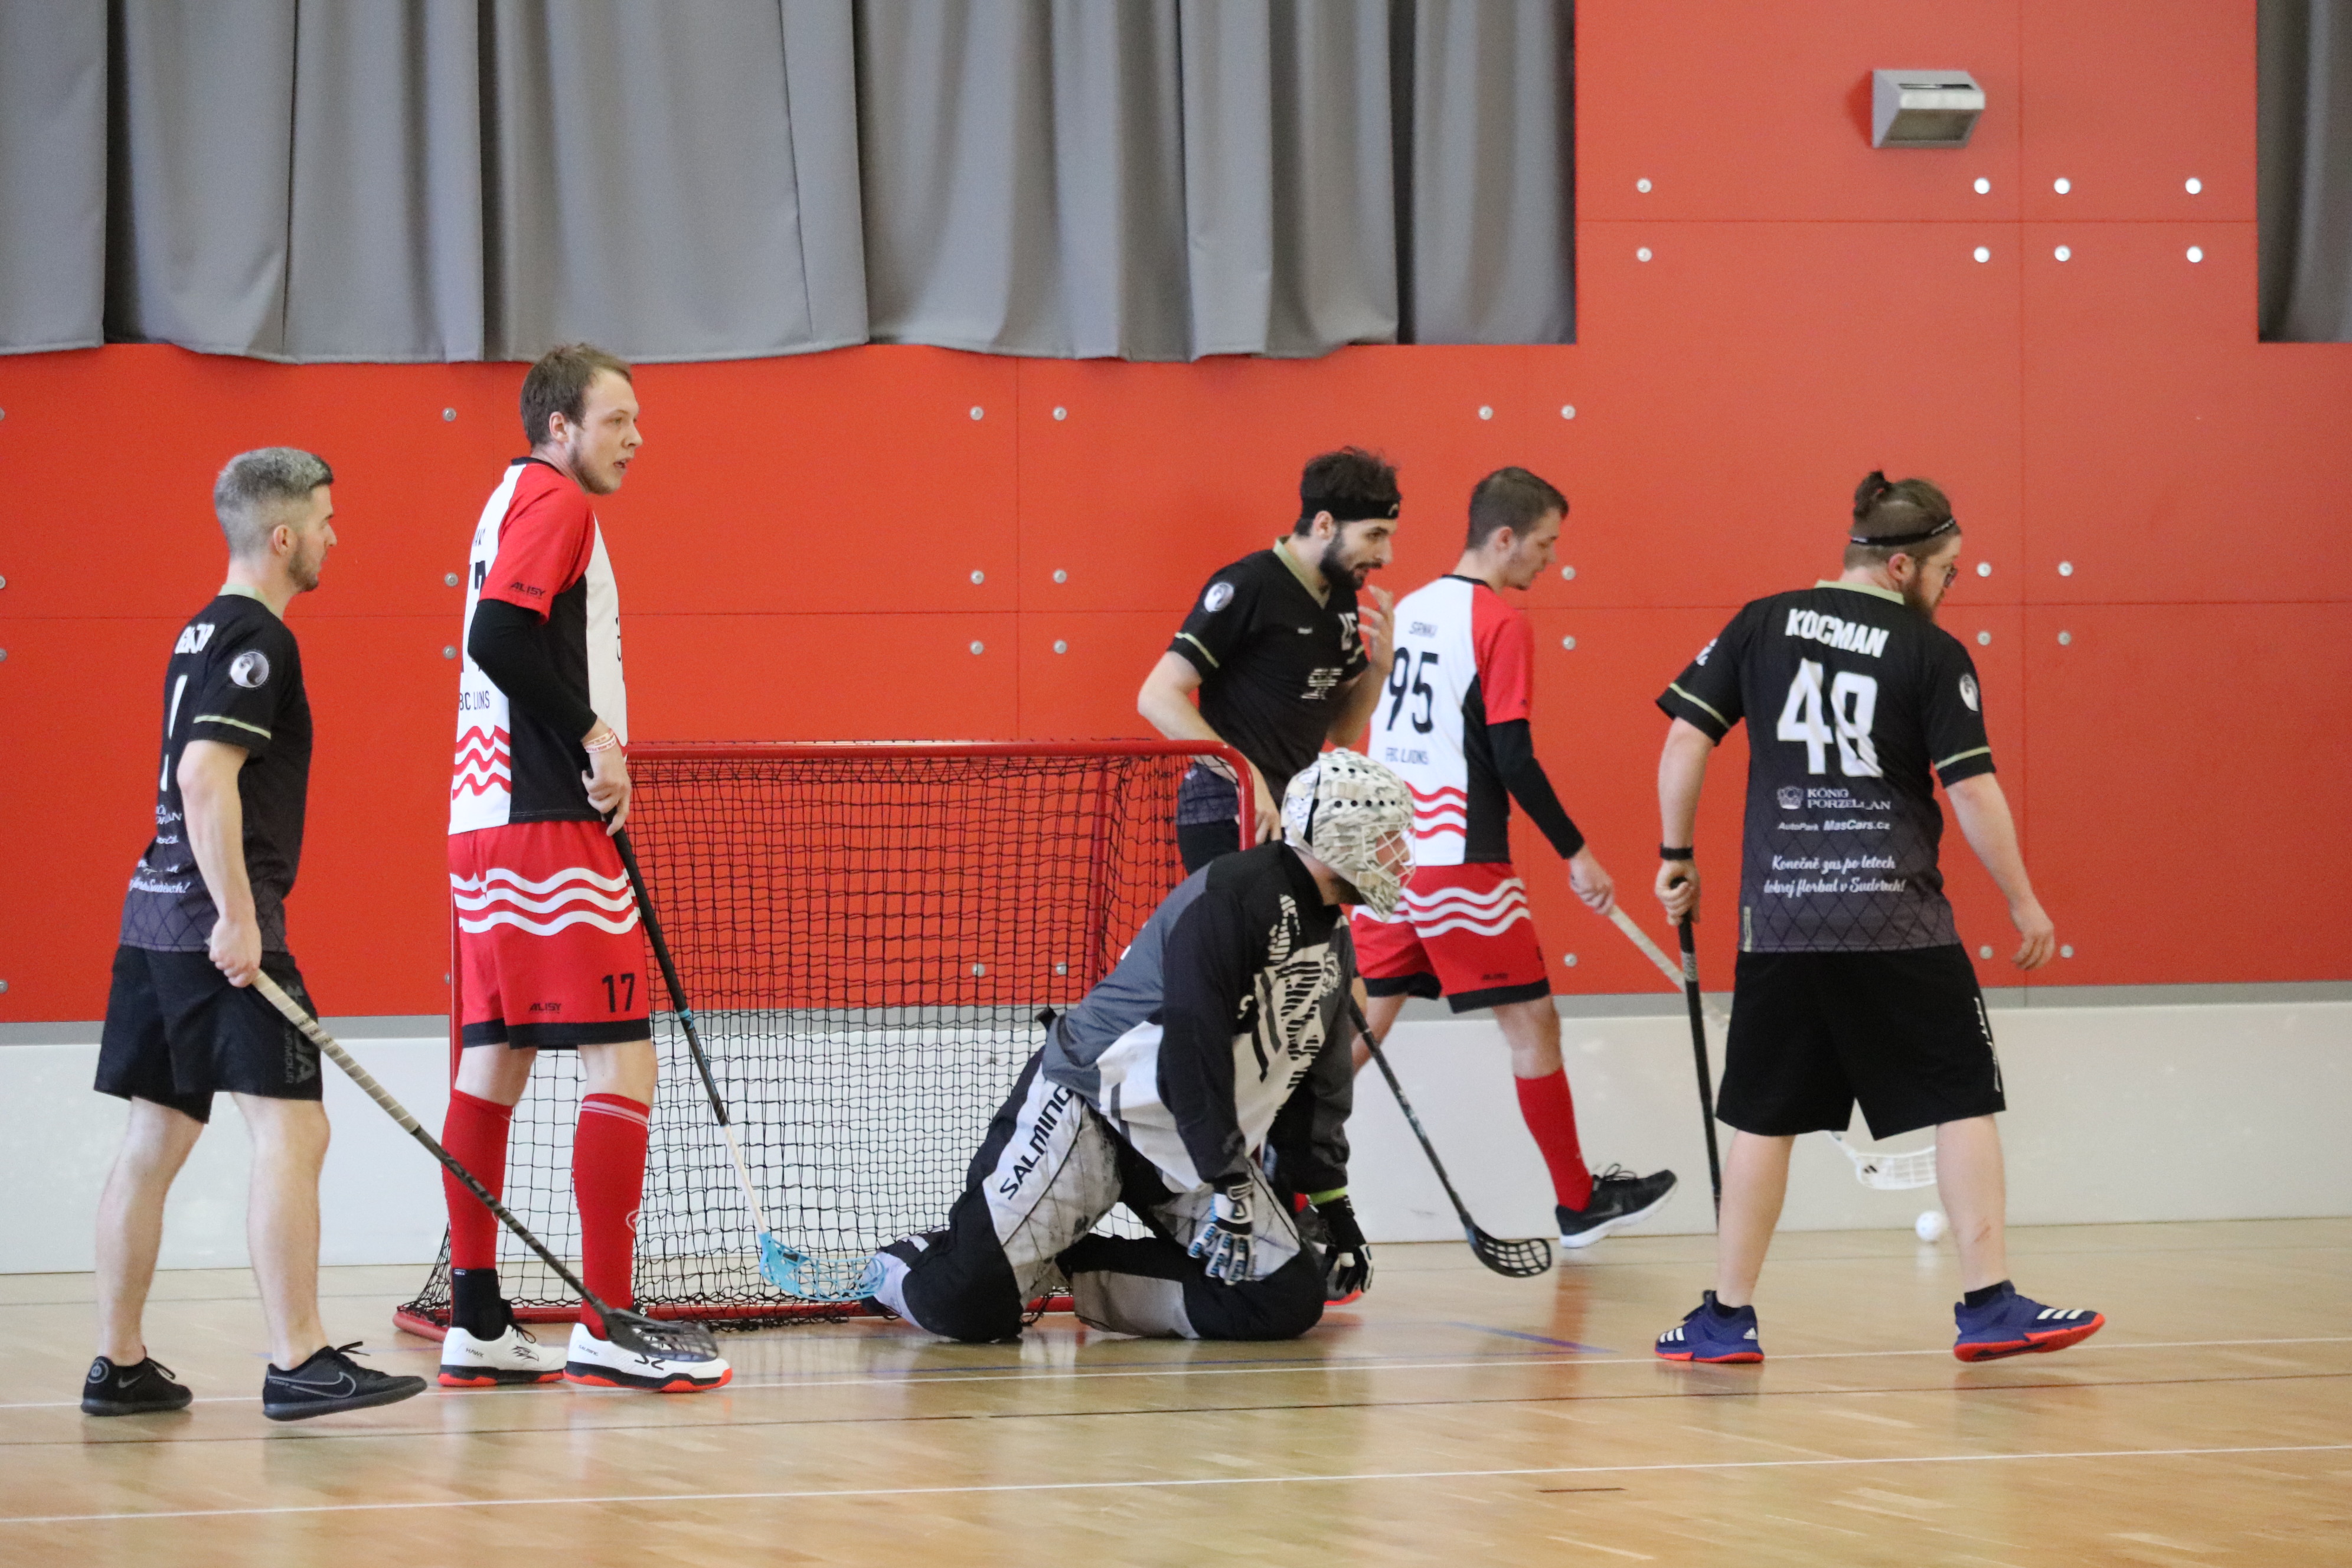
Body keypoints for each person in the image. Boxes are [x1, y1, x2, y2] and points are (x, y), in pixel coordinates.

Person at [1649, 472, 2103, 1364]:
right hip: (1898, 921)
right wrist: (2023, 899)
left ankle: (1725, 1320)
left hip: (1783, 922)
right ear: (1902, 566)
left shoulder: (1760, 623)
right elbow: (1971, 788)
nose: (1951, 586)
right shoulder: (1931, 652)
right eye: (1949, 570)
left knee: (1764, 1118)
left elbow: (1683, 739)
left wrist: (1676, 856)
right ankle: (1989, 1305)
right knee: (1960, 1098)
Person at [87, 449, 426, 1422]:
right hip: (217, 927)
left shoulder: (202, 627)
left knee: (155, 1134)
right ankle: (299, 1359)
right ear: (284, 537)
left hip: (153, 917)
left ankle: (119, 1365)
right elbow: (204, 777)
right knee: (294, 1128)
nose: (334, 537)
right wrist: (238, 918)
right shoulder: (258, 639)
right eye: (325, 520)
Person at [862, 752, 1409, 1343]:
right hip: (1100, 1107)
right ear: (1339, 835)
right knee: (965, 1307)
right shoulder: (1231, 896)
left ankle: (1067, 1268)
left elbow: (1317, 1085)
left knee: (1282, 1298)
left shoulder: (1332, 936)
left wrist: (1335, 1206)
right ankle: (905, 1265)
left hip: (1187, 1139)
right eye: (1387, 837)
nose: (1399, 854)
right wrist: (1230, 1182)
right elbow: (1190, 1052)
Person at [439, 344, 729, 1393]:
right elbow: (499, 637)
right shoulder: (557, 501)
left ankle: (478, 1319)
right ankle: (607, 1321)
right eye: (617, 420)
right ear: (559, 426)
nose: (636, 438)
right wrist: (596, 736)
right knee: (621, 1062)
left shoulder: (507, 498)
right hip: (544, 819)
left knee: (493, 1063)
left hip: (482, 819)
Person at [1354, 468, 1677, 1249]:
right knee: (1533, 1023)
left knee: (1363, 1026)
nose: (1550, 560)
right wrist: (1577, 853)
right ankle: (1578, 1202)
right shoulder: (1497, 623)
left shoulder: (1412, 607)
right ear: (1504, 538)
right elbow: (1513, 757)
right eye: (1544, 544)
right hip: (1459, 859)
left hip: (1384, 858)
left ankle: (1274, 1177)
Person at [1139, 448, 1400, 871]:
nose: (1386, 555)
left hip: (1293, 816)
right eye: (1374, 535)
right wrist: (1246, 776)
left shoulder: (1341, 599)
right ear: (1324, 525)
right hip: (1228, 814)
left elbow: (1343, 730)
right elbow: (1156, 696)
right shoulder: (1249, 584)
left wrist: (1381, 668)